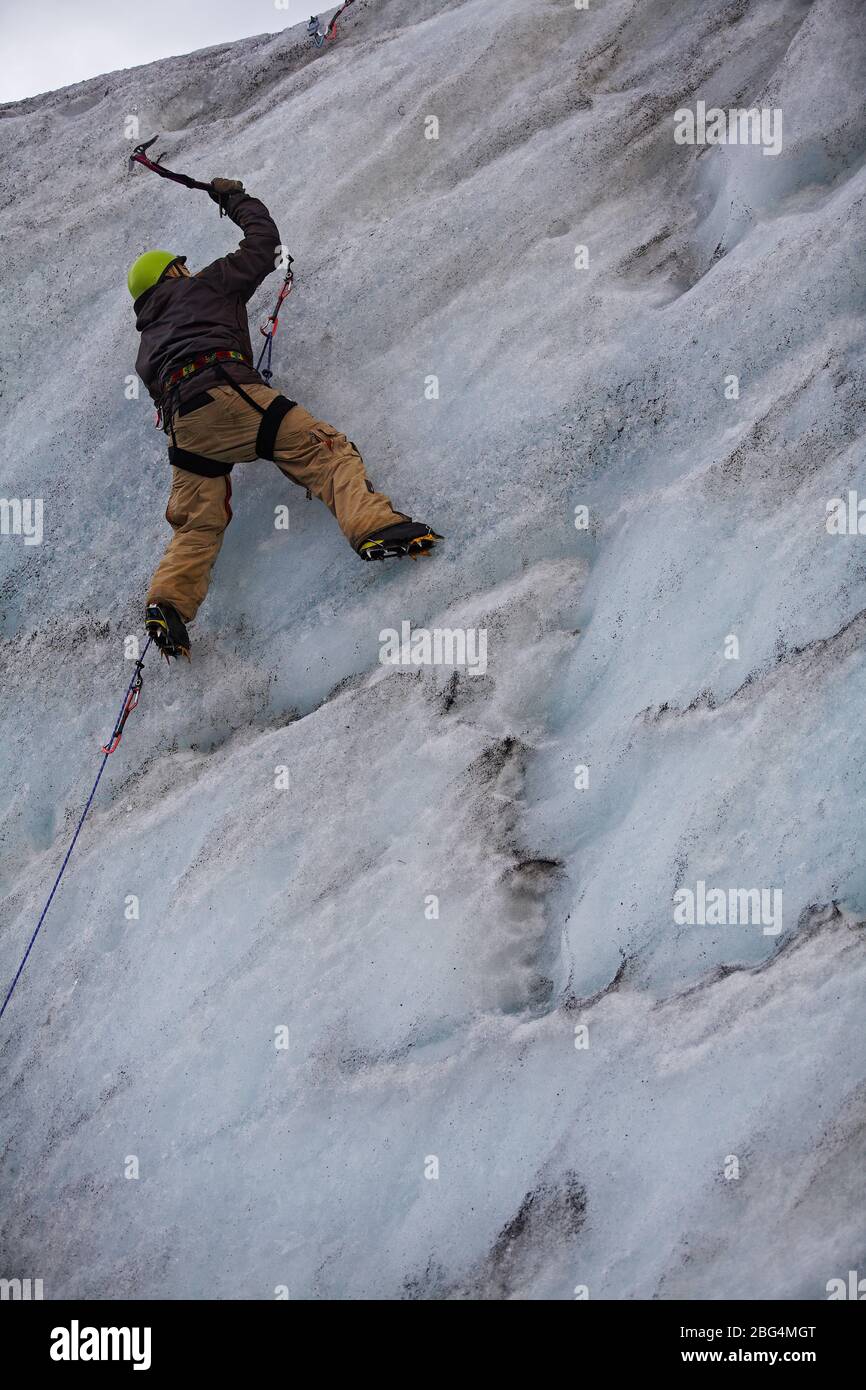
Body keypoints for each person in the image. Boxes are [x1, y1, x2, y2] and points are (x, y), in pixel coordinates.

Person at [129, 178, 440, 660]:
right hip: (229, 394)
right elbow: (264, 246)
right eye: (181, 266)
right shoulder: (205, 285)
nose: (188, 269)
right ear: (171, 274)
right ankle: (373, 527)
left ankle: (168, 603)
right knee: (325, 452)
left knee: (196, 523)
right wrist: (235, 200)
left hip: (185, 429)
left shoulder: (147, 347)